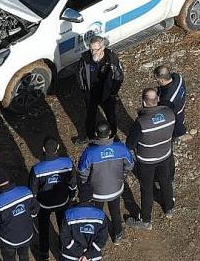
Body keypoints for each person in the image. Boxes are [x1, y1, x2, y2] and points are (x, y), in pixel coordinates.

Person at [126, 88, 177, 229]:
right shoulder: (170, 114)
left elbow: (130, 144)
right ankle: (169, 208)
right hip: (165, 156)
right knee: (166, 181)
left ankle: (146, 220)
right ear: (158, 99)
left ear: (143, 101)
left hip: (146, 161)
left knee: (147, 188)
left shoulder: (141, 123)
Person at [77, 121, 134, 244]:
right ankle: (118, 234)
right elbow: (130, 164)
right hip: (116, 189)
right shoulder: (120, 148)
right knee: (115, 212)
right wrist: (122, 176)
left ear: (96, 134)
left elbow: (82, 172)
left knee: (97, 213)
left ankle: (96, 237)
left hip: (96, 192)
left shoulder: (90, 152)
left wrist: (86, 185)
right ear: (110, 133)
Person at [28, 137, 77, 260]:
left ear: (43, 149)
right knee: (63, 225)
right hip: (63, 201)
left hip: (44, 204)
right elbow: (73, 184)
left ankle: (44, 252)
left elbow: (32, 192)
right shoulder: (67, 163)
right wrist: (71, 197)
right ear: (58, 147)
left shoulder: (37, 169)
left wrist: (33, 205)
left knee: (43, 228)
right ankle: (62, 246)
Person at [74, 36, 124, 143]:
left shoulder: (111, 58)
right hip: (91, 93)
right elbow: (79, 75)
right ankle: (91, 136)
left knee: (110, 115)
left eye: (95, 49)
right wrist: (84, 89)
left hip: (107, 93)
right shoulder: (85, 59)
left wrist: (113, 92)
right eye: (90, 49)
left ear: (102, 48)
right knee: (90, 116)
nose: (92, 52)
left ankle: (113, 135)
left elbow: (119, 76)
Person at [155, 65, 187, 138]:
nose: (157, 82)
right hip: (180, 106)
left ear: (162, 80)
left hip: (175, 116)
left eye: (157, 80)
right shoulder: (178, 78)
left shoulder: (167, 99)